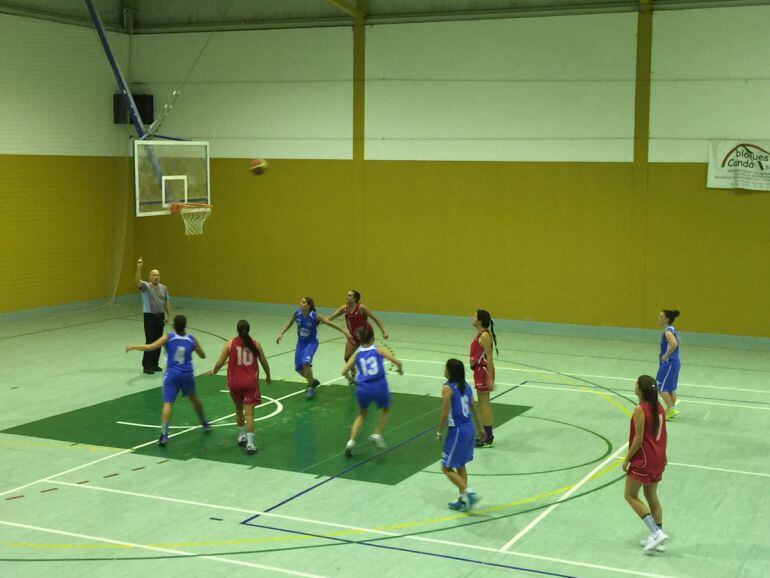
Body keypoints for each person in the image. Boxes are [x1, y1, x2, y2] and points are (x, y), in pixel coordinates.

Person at [125, 314, 209, 446]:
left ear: (174, 326)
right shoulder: (191, 339)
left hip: (172, 375)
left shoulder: (168, 337)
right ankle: (204, 422)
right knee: (194, 399)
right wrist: (196, 350)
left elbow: (150, 347)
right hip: (186, 374)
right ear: (185, 326)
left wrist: (134, 346)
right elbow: (202, 355)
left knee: (168, 403)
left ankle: (164, 435)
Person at [208, 320, 271, 455]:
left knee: (238, 409)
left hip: (234, 383)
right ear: (249, 329)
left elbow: (219, 362)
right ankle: (250, 444)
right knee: (249, 414)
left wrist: (214, 371)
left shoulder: (230, 344)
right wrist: (268, 375)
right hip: (250, 383)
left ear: (237, 330)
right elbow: (264, 362)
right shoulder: (256, 344)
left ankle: (241, 436)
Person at [623, 375, 668, 554]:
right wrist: (663, 455)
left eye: (636, 384)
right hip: (658, 458)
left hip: (644, 460)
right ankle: (659, 538)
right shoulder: (659, 407)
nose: (634, 386)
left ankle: (656, 533)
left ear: (640, 390)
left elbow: (638, 438)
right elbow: (664, 434)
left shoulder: (640, 409)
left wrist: (627, 459)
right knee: (651, 495)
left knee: (630, 495)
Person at [342, 326, 402, 456]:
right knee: (386, 408)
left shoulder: (357, 353)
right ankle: (377, 433)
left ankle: (351, 441)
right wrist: (400, 369)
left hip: (363, 387)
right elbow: (397, 362)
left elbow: (344, 371)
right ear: (373, 338)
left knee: (361, 414)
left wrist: (352, 380)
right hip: (379, 385)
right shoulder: (379, 350)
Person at [276, 297, 350, 399]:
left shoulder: (315, 316)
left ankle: (310, 387)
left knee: (306, 363)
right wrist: (281, 333)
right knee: (298, 369)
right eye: (301, 302)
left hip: (311, 343)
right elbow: (289, 323)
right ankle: (312, 381)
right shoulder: (296, 314)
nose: (300, 304)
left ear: (309, 305)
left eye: (303, 302)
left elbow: (329, 323)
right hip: (301, 343)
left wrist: (344, 331)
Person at [436, 358, 481, 512]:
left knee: (446, 467)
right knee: (461, 465)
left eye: (445, 367)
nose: (444, 370)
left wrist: (439, 430)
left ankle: (468, 492)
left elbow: (444, 412)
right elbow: (474, 408)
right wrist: (480, 429)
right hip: (469, 428)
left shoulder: (447, 388)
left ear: (450, 371)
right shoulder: (467, 387)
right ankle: (463, 500)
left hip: (457, 431)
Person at [327, 290, 389, 384]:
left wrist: (383, 331)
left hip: (366, 336)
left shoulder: (361, 308)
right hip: (353, 336)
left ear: (355, 298)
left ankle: (374, 375)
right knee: (347, 357)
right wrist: (319, 321)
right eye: (347, 295)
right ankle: (353, 372)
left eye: (349, 295)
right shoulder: (344, 308)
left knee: (367, 357)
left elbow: (375, 318)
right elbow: (331, 317)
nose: (346, 297)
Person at [135, 257, 171, 374]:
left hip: (160, 317)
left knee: (158, 341)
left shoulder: (163, 288)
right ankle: (147, 366)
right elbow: (137, 281)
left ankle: (155, 364)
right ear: (150, 277)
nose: (156, 277)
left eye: (158, 275)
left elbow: (166, 302)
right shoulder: (146, 287)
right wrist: (139, 268)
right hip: (149, 317)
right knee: (150, 341)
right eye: (154, 275)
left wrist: (168, 315)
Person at [470, 309, 497, 447]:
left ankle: (489, 437)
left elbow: (490, 359)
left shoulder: (485, 336)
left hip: (484, 372)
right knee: (481, 404)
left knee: (484, 404)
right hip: (478, 371)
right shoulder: (479, 334)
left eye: (474, 316)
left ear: (480, 320)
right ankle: (485, 434)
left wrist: (490, 377)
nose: (472, 317)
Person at [657, 310, 681, 419]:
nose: (659, 318)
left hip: (669, 363)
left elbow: (674, 344)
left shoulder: (667, 331)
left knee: (659, 386)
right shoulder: (673, 330)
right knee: (670, 388)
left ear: (667, 319)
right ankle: (670, 409)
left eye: (661, 316)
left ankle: (671, 409)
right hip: (675, 362)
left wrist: (665, 356)